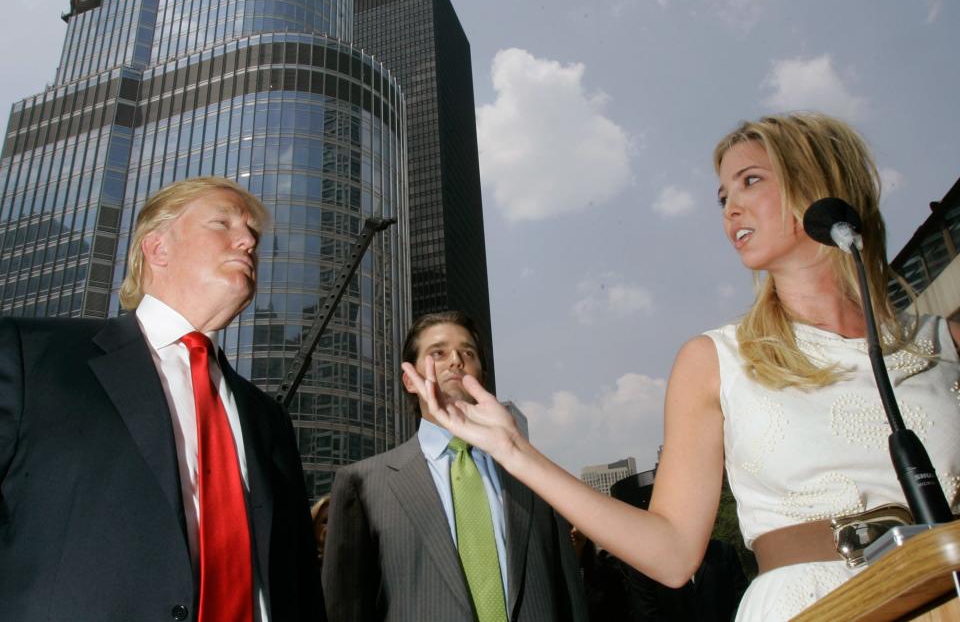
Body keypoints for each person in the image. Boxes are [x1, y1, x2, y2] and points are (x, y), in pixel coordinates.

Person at [405, 113, 960, 621]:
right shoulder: (715, 360)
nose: (729, 210)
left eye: (750, 181)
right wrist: (513, 450)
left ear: (818, 182)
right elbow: (671, 555)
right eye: (722, 196)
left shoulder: (944, 344)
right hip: (811, 606)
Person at [0, 177, 323, 621]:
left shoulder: (268, 419)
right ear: (158, 248)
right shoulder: (30, 357)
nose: (248, 241)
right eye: (223, 222)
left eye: (252, 233)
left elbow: (299, 584)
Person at [322, 311, 588, 622]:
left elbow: (570, 597)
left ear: (483, 378)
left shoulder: (535, 476)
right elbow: (345, 608)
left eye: (467, 353)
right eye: (438, 353)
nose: (455, 360)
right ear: (410, 380)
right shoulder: (364, 484)